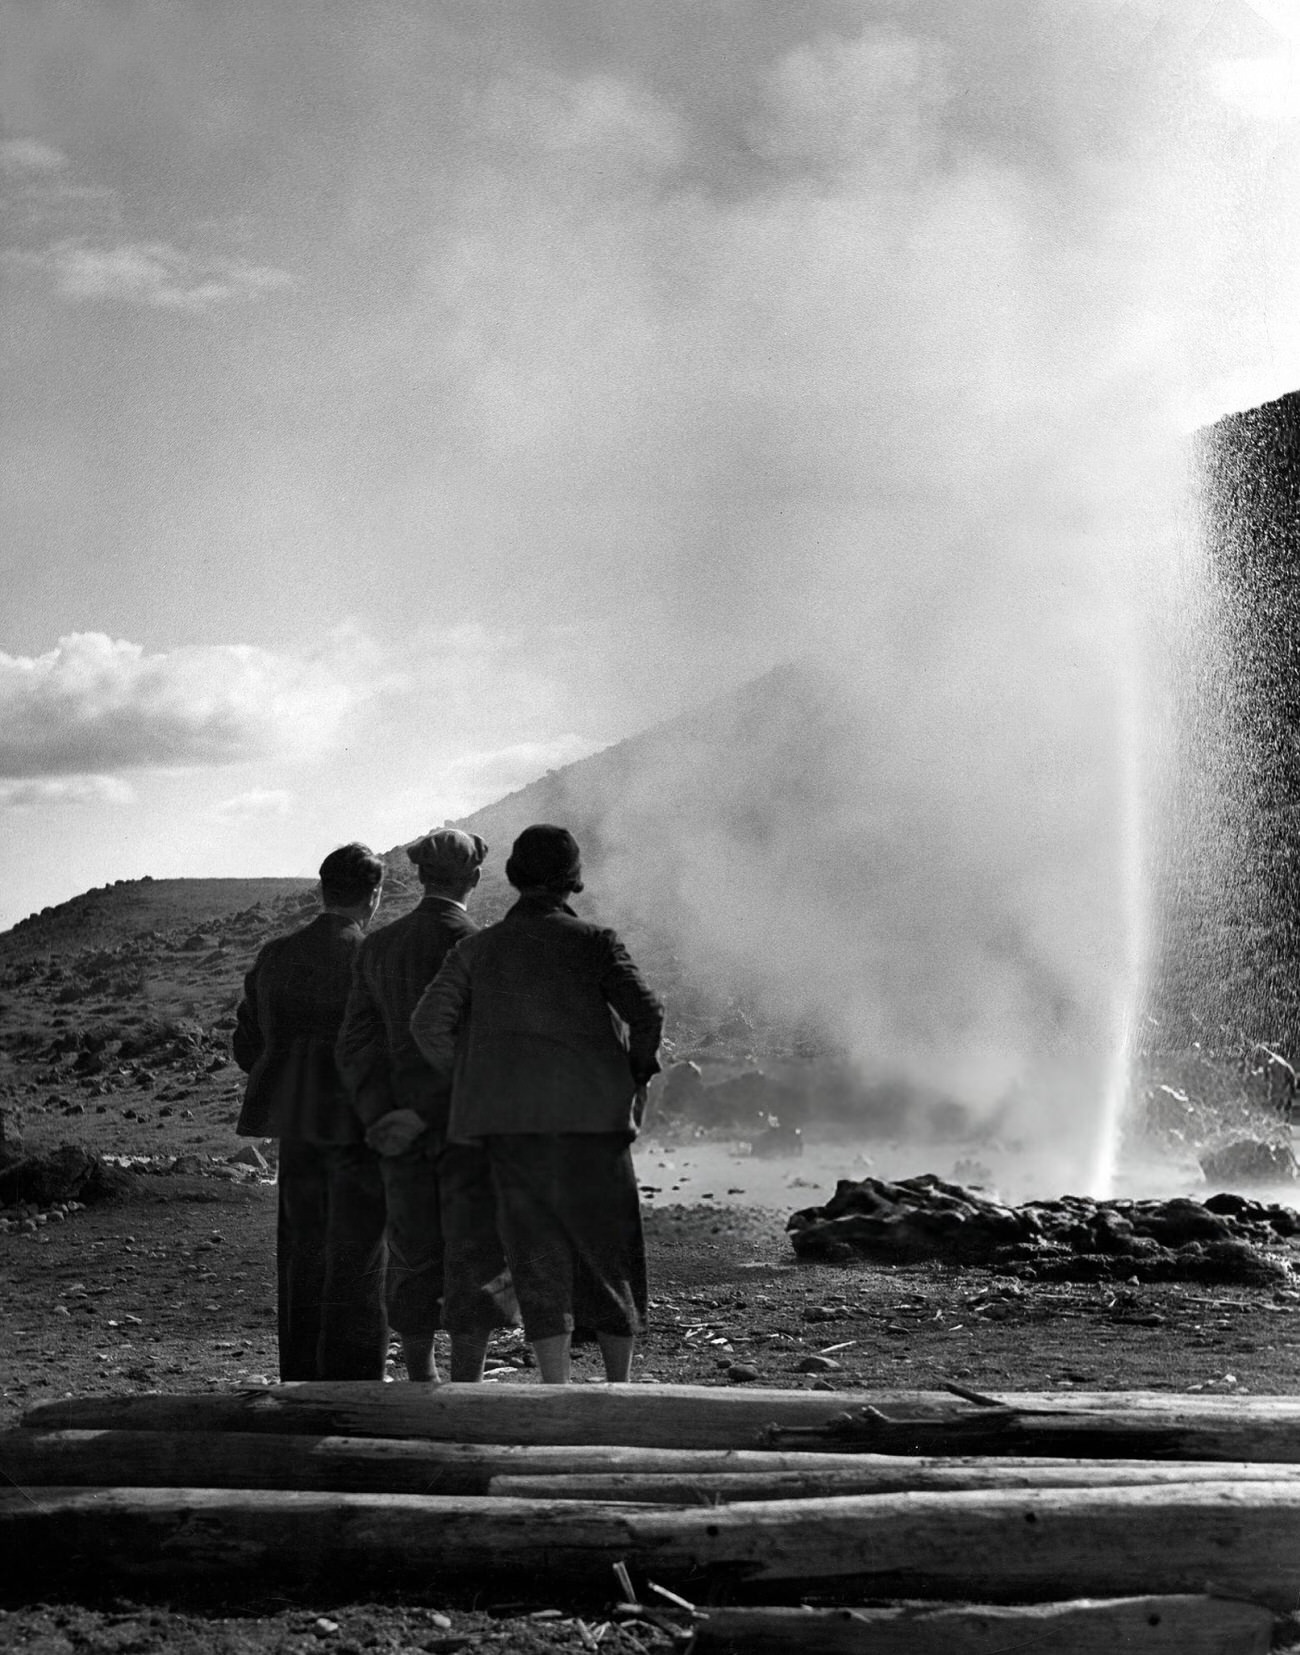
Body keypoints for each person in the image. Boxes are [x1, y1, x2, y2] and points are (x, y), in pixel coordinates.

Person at [410, 824, 664, 1385]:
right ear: (573, 878)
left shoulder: (475, 949)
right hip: (593, 1125)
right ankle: (618, 1389)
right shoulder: (597, 941)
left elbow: (428, 1024)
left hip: (508, 1128)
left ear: (514, 875)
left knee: (535, 1252)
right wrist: (635, 1079)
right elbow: (647, 1013)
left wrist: (477, 1079)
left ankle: (555, 1391)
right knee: (608, 1248)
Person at [336, 827, 511, 1382]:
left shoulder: (380, 946)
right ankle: (468, 1384)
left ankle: (420, 1378)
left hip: (402, 1129)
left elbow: (353, 1046)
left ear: (417, 876)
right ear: (476, 878)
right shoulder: (484, 946)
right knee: (477, 1252)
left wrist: (380, 1113)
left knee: (411, 1247)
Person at [233, 842, 388, 1383]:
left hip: (296, 1125)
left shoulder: (276, 955)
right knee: (361, 1254)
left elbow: (247, 1046)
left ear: (323, 890)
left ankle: (299, 1379)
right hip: (361, 1127)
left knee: (302, 1253)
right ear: (374, 895)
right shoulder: (374, 957)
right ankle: (356, 1385)